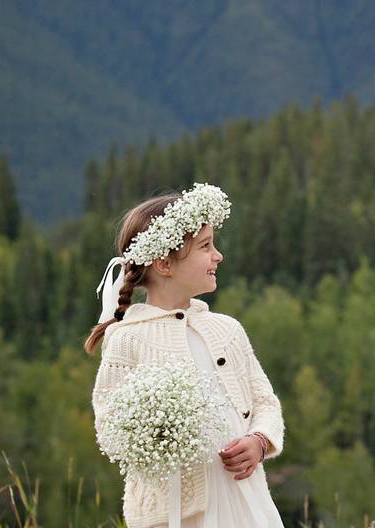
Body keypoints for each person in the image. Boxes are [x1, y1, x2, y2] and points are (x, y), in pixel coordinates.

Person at [85, 184, 285, 528]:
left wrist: (260, 442)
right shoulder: (127, 340)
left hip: (242, 497)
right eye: (206, 246)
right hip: (173, 511)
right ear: (164, 263)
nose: (218, 255)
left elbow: (265, 401)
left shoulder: (227, 330)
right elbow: (109, 426)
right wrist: (160, 435)